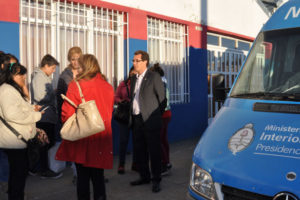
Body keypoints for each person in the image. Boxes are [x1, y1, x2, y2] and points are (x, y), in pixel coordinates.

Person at [56, 54, 114, 200]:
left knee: (82, 177)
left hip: (83, 137)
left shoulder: (76, 86)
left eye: (79, 66)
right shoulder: (107, 86)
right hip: (102, 135)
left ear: (85, 67)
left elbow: (66, 114)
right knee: (98, 177)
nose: (76, 68)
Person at [0, 62, 47, 200]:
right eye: (22, 76)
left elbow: (16, 109)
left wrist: (31, 108)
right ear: (13, 76)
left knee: (17, 175)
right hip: (13, 141)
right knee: (18, 175)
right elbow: (12, 114)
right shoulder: (7, 90)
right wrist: (36, 115)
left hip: (15, 140)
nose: (24, 79)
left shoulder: (10, 89)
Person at [129, 50, 166, 193]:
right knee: (140, 151)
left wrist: (155, 116)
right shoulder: (134, 78)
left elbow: (162, 99)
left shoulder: (154, 76)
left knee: (154, 152)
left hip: (151, 120)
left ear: (145, 61)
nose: (134, 63)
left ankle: (156, 180)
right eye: (133, 60)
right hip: (137, 119)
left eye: (137, 60)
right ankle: (144, 176)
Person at [31, 54, 62, 179]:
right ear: (46, 65)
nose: (54, 71)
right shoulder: (39, 77)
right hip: (43, 116)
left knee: (46, 143)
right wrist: (52, 94)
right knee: (44, 144)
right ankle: (43, 170)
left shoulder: (44, 77)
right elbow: (39, 97)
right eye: (53, 68)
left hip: (47, 116)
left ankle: (35, 168)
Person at [56, 47, 82, 184]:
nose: (76, 62)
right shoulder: (64, 76)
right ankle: (76, 173)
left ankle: (88, 172)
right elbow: (60, 98)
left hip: (84, 115)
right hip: (71, 116)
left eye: (78, 59)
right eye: (73, 59)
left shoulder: (85, 73)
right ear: (69, 60)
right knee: (74, 145)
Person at [150, 63, 172, 176]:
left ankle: (164, 163)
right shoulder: (163, 81)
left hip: (161, 114)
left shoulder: (160, 83)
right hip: (166, 113)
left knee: (159, 140)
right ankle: (167, 162)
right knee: (163, 139)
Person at [114, 66, 138, 174]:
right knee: (123, 141)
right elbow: (116, 96)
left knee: (137, 141)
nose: (133, 75)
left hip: (136, 115)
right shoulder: (123, 84)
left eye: (135, 73)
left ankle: (135, 163)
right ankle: (121, 165)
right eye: (132, 73)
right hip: (124, 115)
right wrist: (121, 101)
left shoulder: (140, 85)